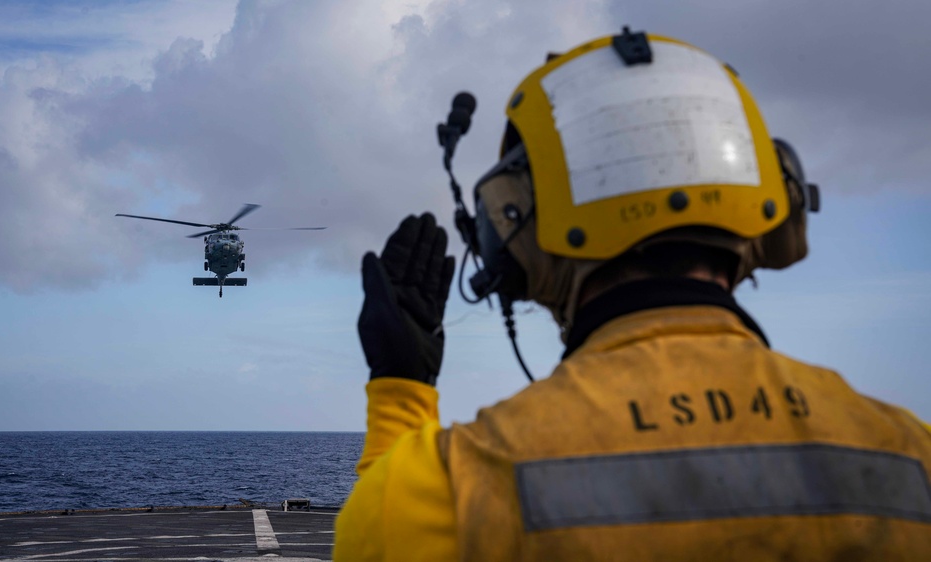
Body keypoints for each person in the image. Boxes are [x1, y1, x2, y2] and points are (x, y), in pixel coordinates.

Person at [334, 29, 931, 561]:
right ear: (777, 205)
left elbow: (375, 538)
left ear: (512, 230)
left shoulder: (446, 492)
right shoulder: (912, 458)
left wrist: (400, 389)